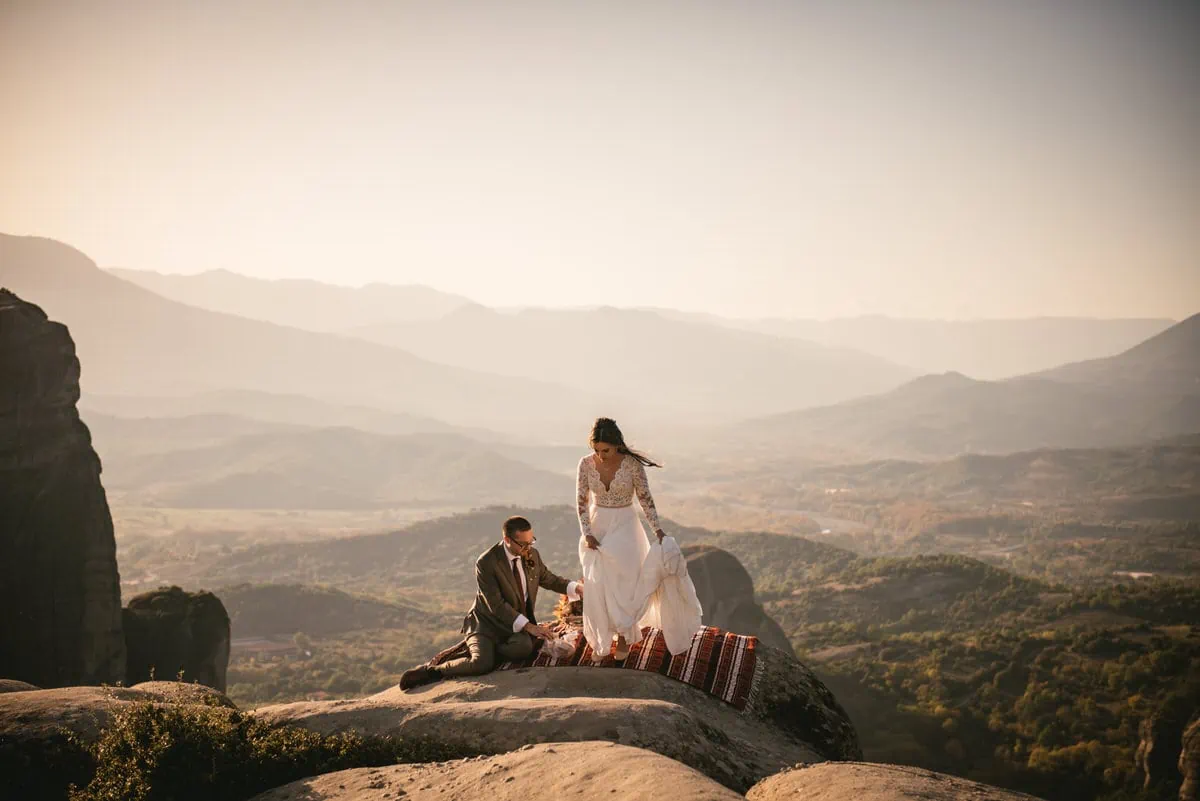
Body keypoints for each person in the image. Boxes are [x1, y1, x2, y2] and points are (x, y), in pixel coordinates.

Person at [398, 515, 582, 690]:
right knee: (481, 664)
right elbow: (497, 605)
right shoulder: (486, 562)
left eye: (531, 541)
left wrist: (576, 588)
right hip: (488, 623)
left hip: (514, 624)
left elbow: (548, 578)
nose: (528, 547)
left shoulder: (531, 554)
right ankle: (433, 671)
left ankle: (488, 651)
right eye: (523, 544)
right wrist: (530, 628)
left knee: (524, 649)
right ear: (507, 539)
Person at [577, 417, 702, 660]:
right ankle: (603, 638)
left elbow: (646, 499)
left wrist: (657, 530)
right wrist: (587, 533)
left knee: (625, 584)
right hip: (597, 526)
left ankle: (624, 636)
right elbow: (581, 501)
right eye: (597, 450)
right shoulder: (584, 464)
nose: (601, 455)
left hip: (625, 526)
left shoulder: (632, 465)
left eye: (606, 450)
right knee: (599, 585)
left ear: (617, 445)